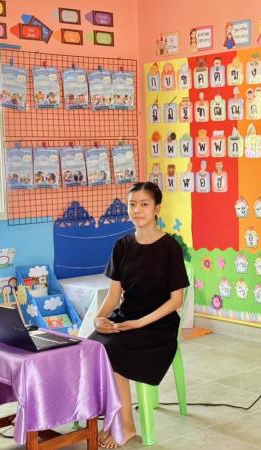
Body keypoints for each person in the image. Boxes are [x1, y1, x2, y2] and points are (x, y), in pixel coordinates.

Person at [89, 182, 189, 448]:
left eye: (144, 204)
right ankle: (112, 420)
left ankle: (127, 426)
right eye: (132, 204)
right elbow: (113, 296)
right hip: (127, 318)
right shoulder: (121, 246)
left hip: (157, 326)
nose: (137, 210)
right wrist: (99, 318)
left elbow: (176, 301)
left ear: (157, 209)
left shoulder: (170, 248)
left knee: (112, 352)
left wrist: (139, 323)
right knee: (91, 347)